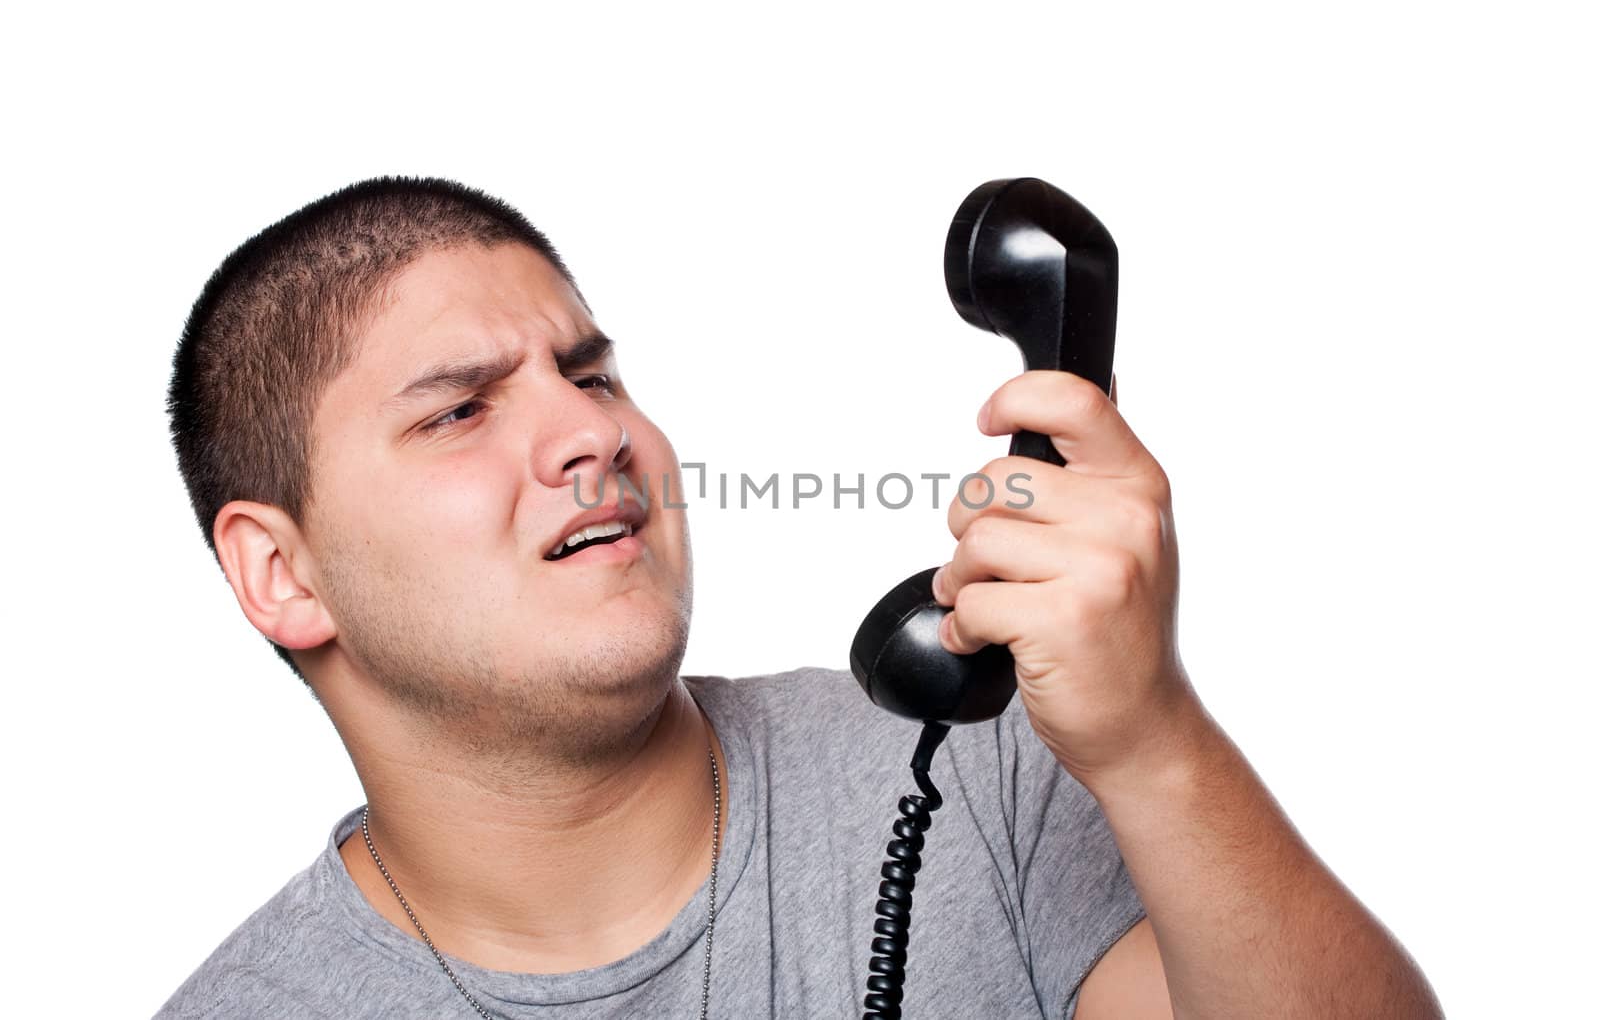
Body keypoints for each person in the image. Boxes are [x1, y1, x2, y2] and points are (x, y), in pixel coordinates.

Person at [156, 176, 1443, 1019]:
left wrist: (1149, 735)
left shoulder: (981, 774)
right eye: (460, 408)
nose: (590, 435)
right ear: (283, 572)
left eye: (592, 377)